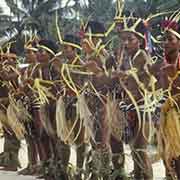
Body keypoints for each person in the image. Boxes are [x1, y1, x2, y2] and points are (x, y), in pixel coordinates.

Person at [115, 16, 154, 179]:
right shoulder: (126, 58)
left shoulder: (142, 56)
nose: (125, 43)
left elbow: (147, 81)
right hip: (130, 108)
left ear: (139, 40)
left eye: (130, 39)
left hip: (143, 109)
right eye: (124, 40)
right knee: (134, 149)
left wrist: (127, 75)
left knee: (140, 149)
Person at [158, 16, 180, 179]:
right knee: (168, 159)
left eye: (169, 39)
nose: (165, 42)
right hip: (167, 115)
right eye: (163, 39)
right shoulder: (161, 64)